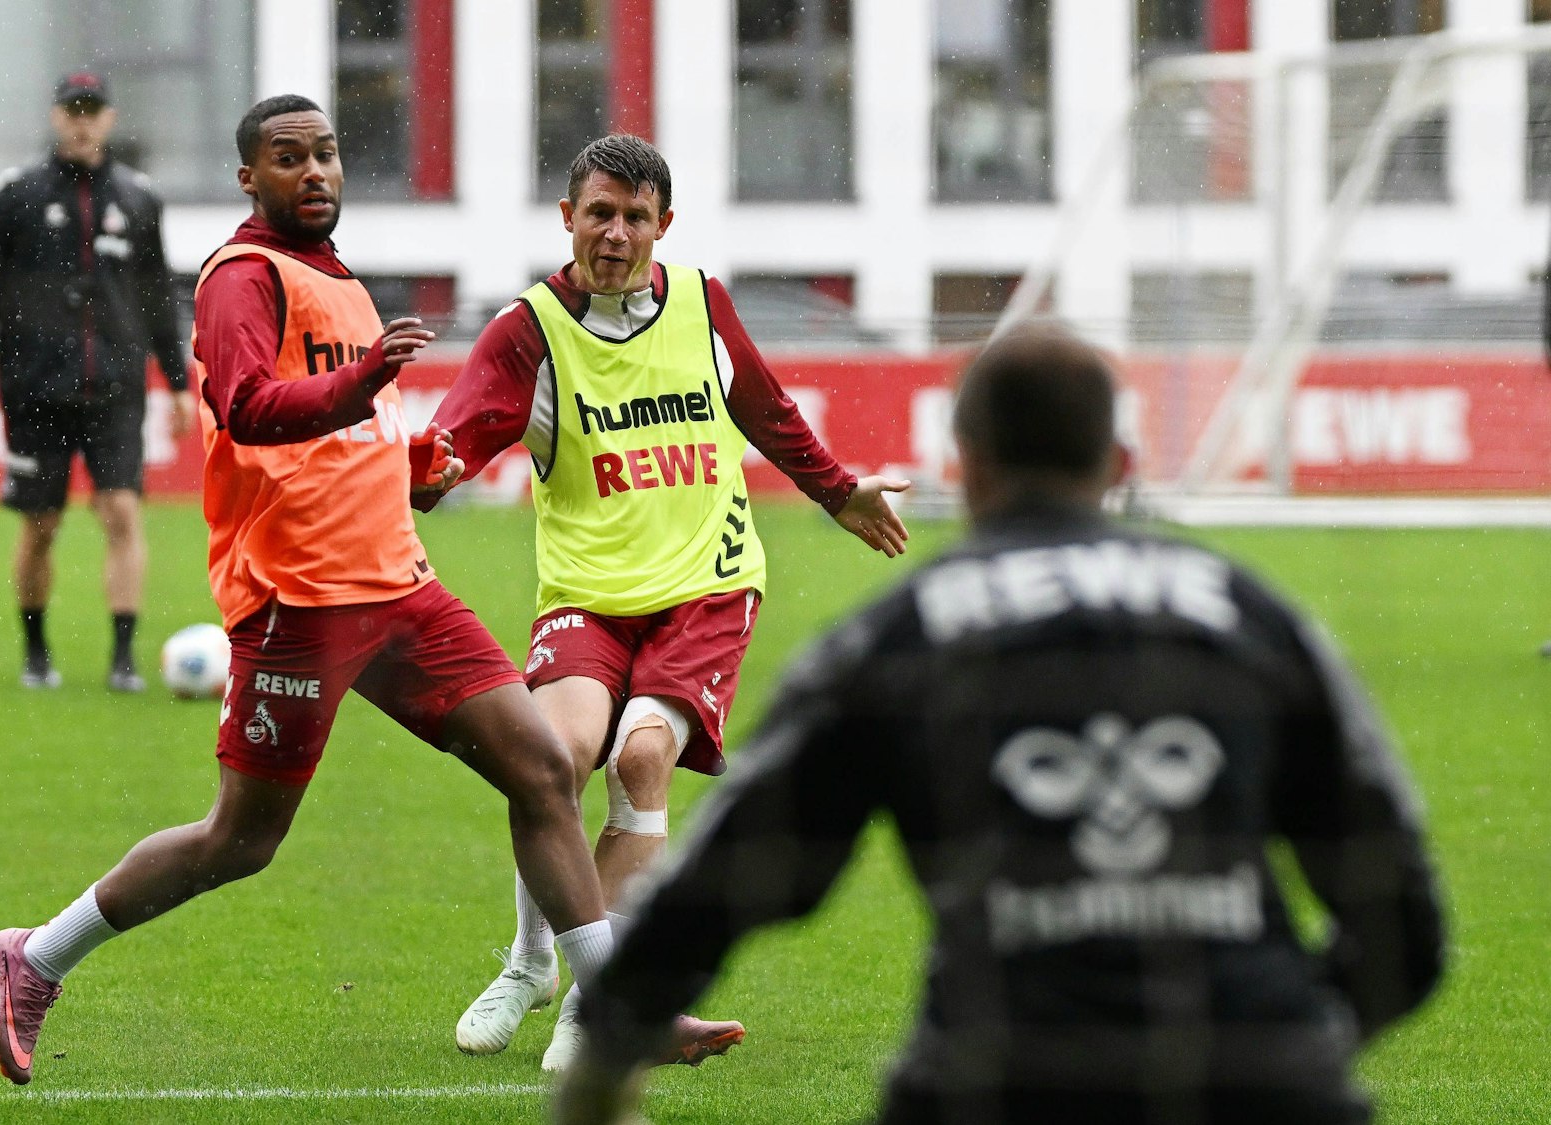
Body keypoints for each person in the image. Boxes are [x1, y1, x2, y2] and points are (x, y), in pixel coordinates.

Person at [0, 95, 739, 1086]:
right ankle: (32, 959)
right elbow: (248, 409)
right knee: (239, 841)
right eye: (288, 160)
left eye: (326, 155)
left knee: (543, 769)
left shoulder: (337, 280)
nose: (315, 173)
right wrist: (364, 381)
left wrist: (413, 452)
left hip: (399, 587)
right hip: (298, 602)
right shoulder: (241, 278)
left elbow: (351, 431)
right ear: (249, 178)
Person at [552, 323, 1447, 1125]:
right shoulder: (1253, 620)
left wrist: (605, 1055)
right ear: (1119, 467)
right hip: (1272, 1086)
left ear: (966, 465)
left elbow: (730, 874)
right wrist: (1285, 1034)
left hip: (998, 1078)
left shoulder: (902, 637)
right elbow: (1405, 914)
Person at [419, 134, 913, 1071]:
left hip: (707, 589)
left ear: (664, 224)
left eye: (635, 216)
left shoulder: (701, 303)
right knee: (553, 756)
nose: (615, 232)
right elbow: (454, 439)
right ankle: (531, 962)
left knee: (642, 757)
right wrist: (423, 472)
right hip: (587, 599)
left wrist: (837, 488)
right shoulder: (530, 330)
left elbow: (764, 409)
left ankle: (587, 1003)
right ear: (567, 218)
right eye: (599, 213)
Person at [0, 70, 194, 692]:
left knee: (121, 512)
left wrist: (177, 381)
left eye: (93, 110)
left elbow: (157, 296)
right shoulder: (15, 196)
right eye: (72, 110)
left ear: (109, 117)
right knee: (41, 524)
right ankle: (36, 652)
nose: (82, 121)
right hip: (35, 386)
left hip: (115, 386)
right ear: (56, 117)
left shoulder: (139, 198)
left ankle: (122, 657)